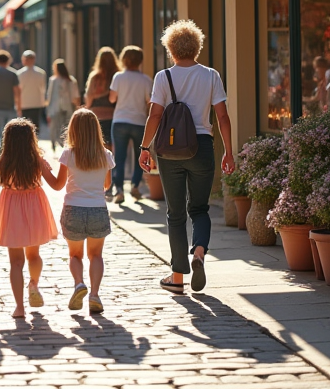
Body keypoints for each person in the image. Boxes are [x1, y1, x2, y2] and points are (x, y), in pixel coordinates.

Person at [138, 20, 235, 295]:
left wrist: (146, 148)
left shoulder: (163, 77)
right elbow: (223, 116)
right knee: (200, 209)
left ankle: (177, 277)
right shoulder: (211, 75)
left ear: (171, 49)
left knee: (175, 213)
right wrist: (228, 151)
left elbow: (155, 115)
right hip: (203, 147)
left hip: (170, 150)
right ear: (197, 47)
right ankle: (200, 253)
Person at [0, 118, 58, 319]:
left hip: (11, 208)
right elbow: (53, 182)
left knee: (15, 262)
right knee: (34, 255)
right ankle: (34, 284)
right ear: (32, 140)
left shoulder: (5, 161)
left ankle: (19, 307)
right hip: (34, 207)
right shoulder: (37, 160)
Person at [50, 109, 114, 313]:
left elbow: (58, 185)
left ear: (73, 130)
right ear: (96, 130)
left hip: (73, 209)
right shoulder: (105, 155)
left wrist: (44, 170)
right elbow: (107, 185)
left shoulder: (68, 154)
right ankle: (95, 295)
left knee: (75, 256)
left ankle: (79, 284)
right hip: (97, 209)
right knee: (96, 256)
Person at [108, 46, 154, 204]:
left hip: (120, 120)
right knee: (139, 157)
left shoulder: (118, 77)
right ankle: (135, 185)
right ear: (140, 61)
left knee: (119, 157)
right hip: (139, 122)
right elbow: (150, 102)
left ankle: (119, 190)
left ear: (123, 59)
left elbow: (112, 99)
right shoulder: (146, 80)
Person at [84, 47, 119, 150]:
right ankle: (110, 165)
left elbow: (89, 100)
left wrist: (96, 96)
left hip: (96, 115)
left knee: (98, 144)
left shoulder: (95, 77)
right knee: (112, 146)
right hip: (113, 114)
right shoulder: (117, 76)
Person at [46, 59, 80, 150]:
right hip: (67, 107)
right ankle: (64, 144)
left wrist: (48, 109)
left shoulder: (53, 80)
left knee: (55, 127)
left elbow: (49, 96)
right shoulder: (70, 80)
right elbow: (75, 96)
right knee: (66, 127)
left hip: (55, 108)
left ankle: (56, 143)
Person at [16, 51, 48, 138]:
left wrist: (17, 104)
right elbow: (43, 88)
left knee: (24, 125)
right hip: (37, 102)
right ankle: (35, 142)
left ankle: (26, 141)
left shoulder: (19, 74)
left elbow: (18, 91)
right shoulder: (41, 73)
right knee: (36, 125)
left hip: (24, 103)